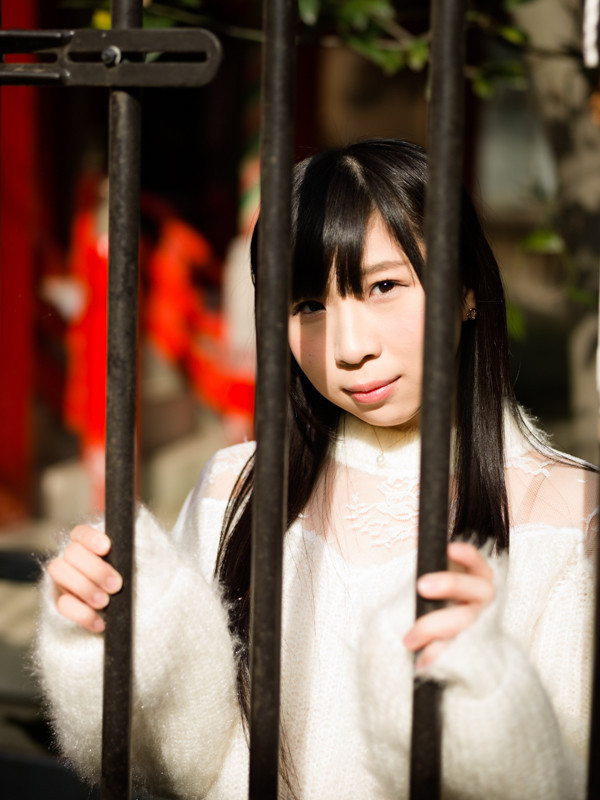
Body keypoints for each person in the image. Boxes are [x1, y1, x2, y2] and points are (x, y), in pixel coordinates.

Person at [35, 139, 597, 799]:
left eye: (383, 286)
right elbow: (179, 770)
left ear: (468, 288)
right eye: (308, 306)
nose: (349, 348)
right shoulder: (233, 488)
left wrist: (493, 709)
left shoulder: (568, 516)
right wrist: (107, 635)